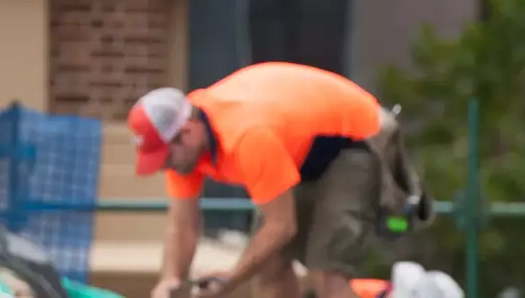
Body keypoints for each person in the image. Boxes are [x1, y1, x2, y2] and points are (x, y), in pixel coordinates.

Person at [130, 62, 388, 298]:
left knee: (327, 274)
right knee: (268, 267)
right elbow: (182, 225)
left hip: (355, 136)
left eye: (166, 158)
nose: (166, 166)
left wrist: (230, 281)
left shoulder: (246, 135)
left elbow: (282, 226)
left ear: (187, 132)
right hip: (296, 148)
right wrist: (169, 280)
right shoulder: (184, 152)